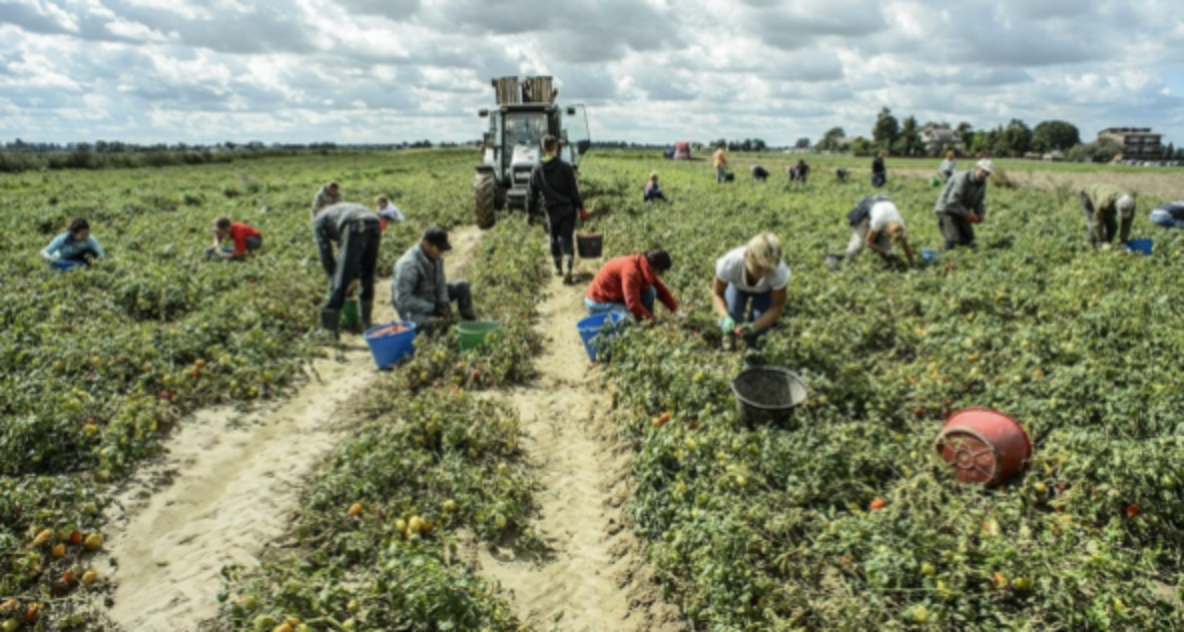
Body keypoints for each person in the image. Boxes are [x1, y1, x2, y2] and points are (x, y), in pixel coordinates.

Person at [313, 202, 381, 337]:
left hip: (354, 224)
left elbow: (325, 252)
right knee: (368, 272)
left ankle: (329, 328)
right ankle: (366, 322)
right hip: (374, 222)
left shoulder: (319, 220)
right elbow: (350, 251)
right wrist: (354, 276)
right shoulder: (338, 211)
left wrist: (334, 277)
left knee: (340, 276)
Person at [712, 233, 790, 351]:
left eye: (768, 270)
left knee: (760, 325)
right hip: (738, 287)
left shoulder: (778, 272)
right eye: (759, 268)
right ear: (746, 256)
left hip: (764, 292)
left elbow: (777, 307)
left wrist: (754, 327)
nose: (763, 274)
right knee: (732, 314)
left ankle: (753, 352)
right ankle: (729, 344)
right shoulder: (730, 263)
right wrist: (725, 317)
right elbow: (717, 293)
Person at [393, 226, 476, 332]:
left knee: (462, 286)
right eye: (439, 249)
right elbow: (403, 300)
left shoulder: (436, 258)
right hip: (413, 310)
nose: (441, 252)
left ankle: (470, 324)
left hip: (431, 298)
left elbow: (441, 283)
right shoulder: (408, 265)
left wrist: (443, 303)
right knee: (432, 325)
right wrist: (432, 308)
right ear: (426, 244)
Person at [527, 134, 584, 285]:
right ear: (556, 148)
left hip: (551, 210)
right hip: (567, 209)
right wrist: (581, 207)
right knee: (566, 237)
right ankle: (568, 267)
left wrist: (530, 211)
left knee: (553, 237)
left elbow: (532, 193)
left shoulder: (537, 169)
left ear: (542, 148)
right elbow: (573, 191)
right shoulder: (566, 168)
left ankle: (557, 266)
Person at [585, 248, 683, 321]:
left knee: (650, 291)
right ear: (655, 268)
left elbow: (661, 291)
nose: (661, 274)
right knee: (627, 318)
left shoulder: (643, 265)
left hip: (614, 297)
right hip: (599, 303)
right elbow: (632, 304)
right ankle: (642, 325)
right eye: (661, 271)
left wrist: (676, 310)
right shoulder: (632, 272)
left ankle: (644, 324)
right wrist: (652, 320)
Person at [827, 196, 915, 270]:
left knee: (885, 253)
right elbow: (868, 242)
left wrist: (912, 265)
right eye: (888, 236)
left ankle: (883, 259)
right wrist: (886, 252)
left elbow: (906, 248)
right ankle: (832, 258)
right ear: (886, 230)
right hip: (869, 207)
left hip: (884, 204)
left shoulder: (900, 225)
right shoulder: (879, 220)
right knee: (855, 248)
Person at [934, 159, 992, 250]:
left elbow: (979, 201)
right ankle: (946, 259)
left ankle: (965, 259)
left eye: (987, 173)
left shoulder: (982, 183)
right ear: (976, 168)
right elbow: (952, 202)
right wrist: (968, 215)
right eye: (983, 171)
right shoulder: (962, 178)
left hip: (960, 210)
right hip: (946, 209)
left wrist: (980, 213)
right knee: (953, 238)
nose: (984, 175)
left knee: (968, 237)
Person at [1080, 184, 1135, 249]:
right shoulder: (1103, 203)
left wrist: (1123, 241)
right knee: (1093, 225)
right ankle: (1092, 246)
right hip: (1088, 196)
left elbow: (1127, 223)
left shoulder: (1131, 204)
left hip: (1105, 194)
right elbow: (1097, 222)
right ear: (1115, 206)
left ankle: (1108, 245)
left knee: (1113, 226)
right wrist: (1103, 241)